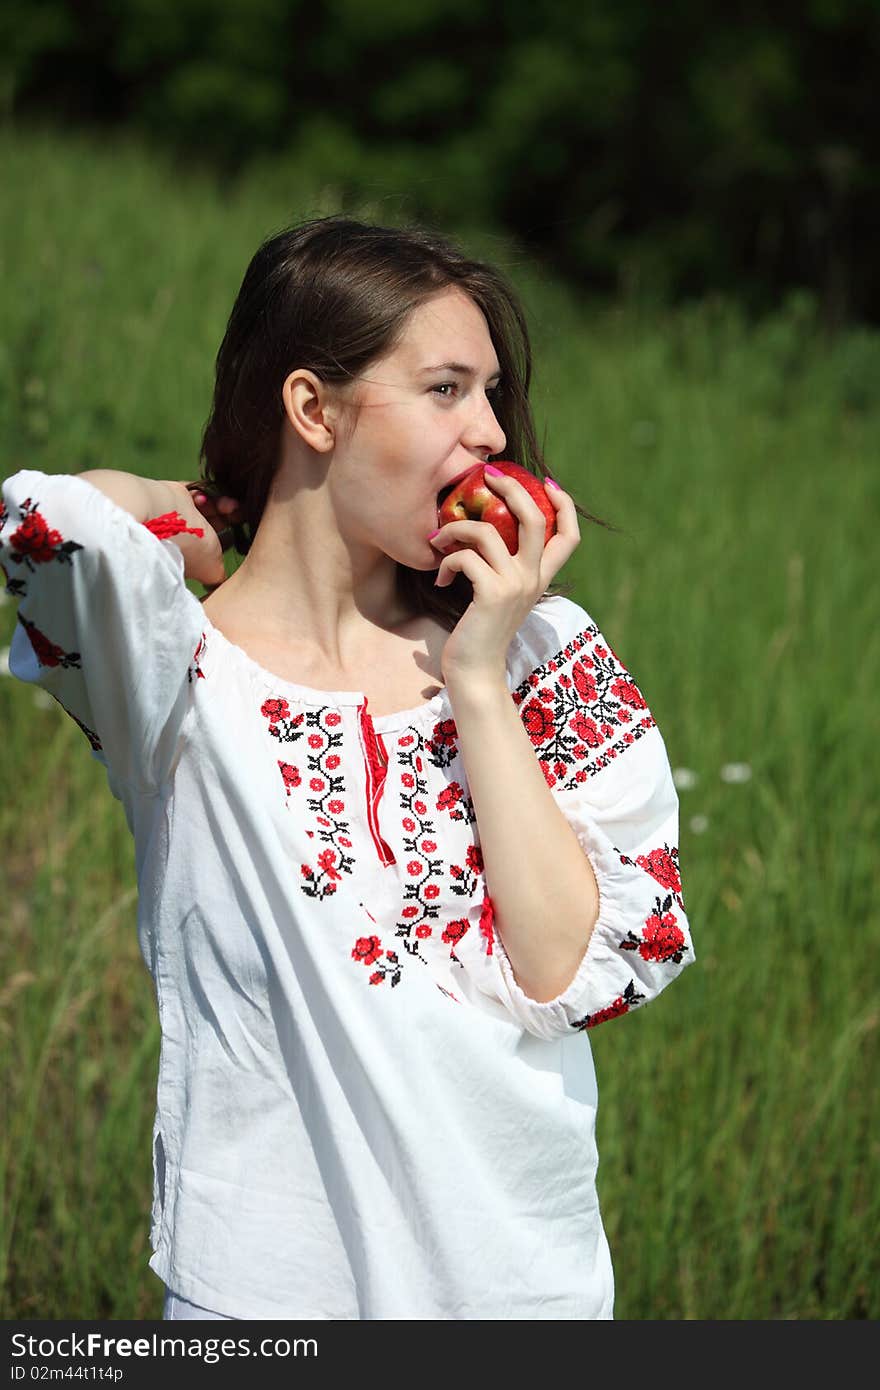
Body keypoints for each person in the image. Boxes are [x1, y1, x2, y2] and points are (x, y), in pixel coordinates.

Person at [0, 215, 694, 1321]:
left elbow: (568, 969)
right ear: (312, 410)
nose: (489, 435)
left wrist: (477, 681)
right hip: (263, 1296)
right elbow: (46, 523)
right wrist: (200, 520)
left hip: (525, 1290)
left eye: (493, 395)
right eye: (445, 390)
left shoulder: (540, 654)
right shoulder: (178, 672)